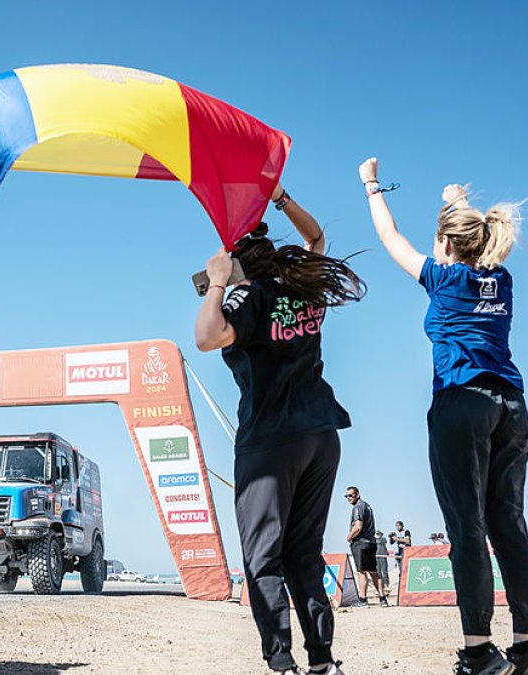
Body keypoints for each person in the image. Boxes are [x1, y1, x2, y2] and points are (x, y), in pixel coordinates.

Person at [360, 157, 528, 675]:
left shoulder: (443, 280)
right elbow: (470, 240)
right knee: (509, 524)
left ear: (447, 244)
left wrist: (371, 184)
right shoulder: (502, 279)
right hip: (513, 406)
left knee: (467, 528)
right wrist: (456, 203)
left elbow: (389, 235)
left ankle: (477, 652)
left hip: (462, 401)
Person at [195, 183, 364, 675]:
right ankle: (323, 662)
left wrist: (218, 282)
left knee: (262, 557)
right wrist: (281, 197)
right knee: (303, 554)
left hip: (270, 440)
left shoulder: (246, 295)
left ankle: (281, 662)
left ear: (240, 262)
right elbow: (316, 240)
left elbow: (206, 337)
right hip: (320, 434)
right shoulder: (303, 286)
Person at [344, 486, 387, 606]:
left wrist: (349, 537)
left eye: (351, 495)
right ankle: (383, 599)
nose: (348, 498)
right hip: (371, 542)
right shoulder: (367, 506)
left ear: (357, 494)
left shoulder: (358, 507)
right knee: (374, 572)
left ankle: (362, 600)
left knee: (361, 572)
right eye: (346, 496)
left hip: (361, 543)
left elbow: (358, 526)